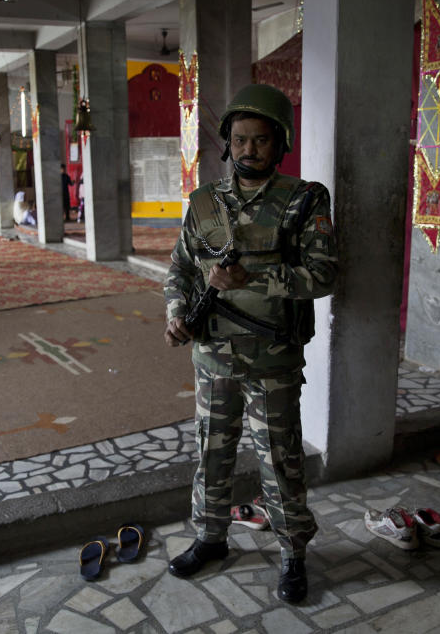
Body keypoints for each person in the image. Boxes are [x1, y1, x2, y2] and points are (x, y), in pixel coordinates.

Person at [163, 83, 338, 604]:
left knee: (279, 460)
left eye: (260, 140)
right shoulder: (202, 204)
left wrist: (251, 283)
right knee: (210, 454)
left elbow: (324, 275)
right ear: (227, 144)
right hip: (212, 358)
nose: (248, 150)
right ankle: (210, 538)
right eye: (239, 140)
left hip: (272, 360)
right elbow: (180, 270)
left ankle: (292, 552)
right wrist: (176, 312)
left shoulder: (305, 200)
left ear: (279, 143)